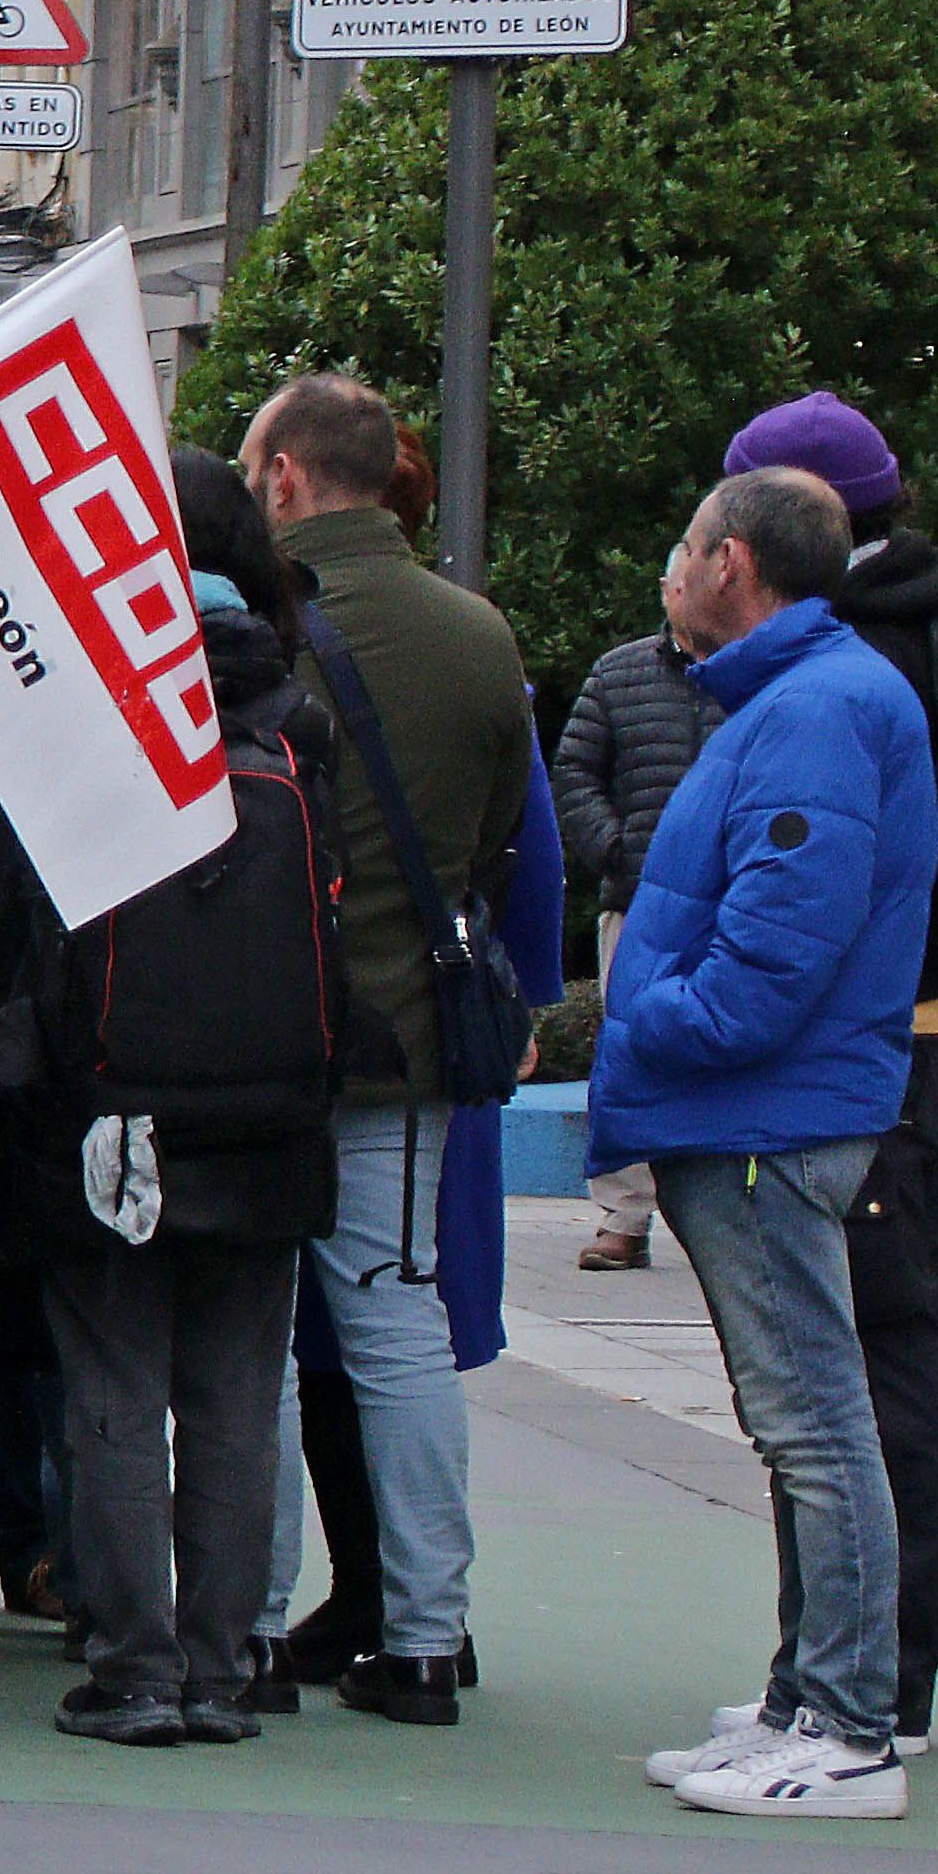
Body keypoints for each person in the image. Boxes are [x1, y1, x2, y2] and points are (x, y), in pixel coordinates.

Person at [598, 468, 932, 1821]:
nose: (671, 573)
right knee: (801, 1420)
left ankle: (847, 1722)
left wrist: (655, 1019)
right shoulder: (806, 700)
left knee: (813, 1423)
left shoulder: (814, 710)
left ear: (731, 564)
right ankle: (813, 1696)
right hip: (760, 1106)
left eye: (684, 550)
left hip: (763, 1112)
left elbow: (775, 952)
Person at [24, 453, 346, 1746]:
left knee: (114, 1393)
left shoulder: (93, 709)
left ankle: (136, 1665)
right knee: (233, 1397)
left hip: (117, 1115)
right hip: (273, 1112)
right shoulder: (294, 716)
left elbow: (35, 922)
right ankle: (221, 1666)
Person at [240, 373, 529, 1726]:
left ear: (287, 477)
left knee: (246, 1333)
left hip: (263, 1030)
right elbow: (493, 850)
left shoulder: (265, 628)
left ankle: (242, 1619)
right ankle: (426, 1629)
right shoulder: (481, 639)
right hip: (404, 1032)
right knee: (395, 1324)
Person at [724, 391, 938, 1739]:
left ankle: (860, 1680)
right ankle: (868, 1671)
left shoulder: (863, 663)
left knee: (868, 1373)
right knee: (905, 1359)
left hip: (877, 1048)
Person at [554, 612, 707, 1271]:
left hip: (738, 899)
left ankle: (735, 1213)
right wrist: (615, 851)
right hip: (637, 897)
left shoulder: (765, 672)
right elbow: (574, 771)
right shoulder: (620, 671)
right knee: (626, 1055)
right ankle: (625, 1214)